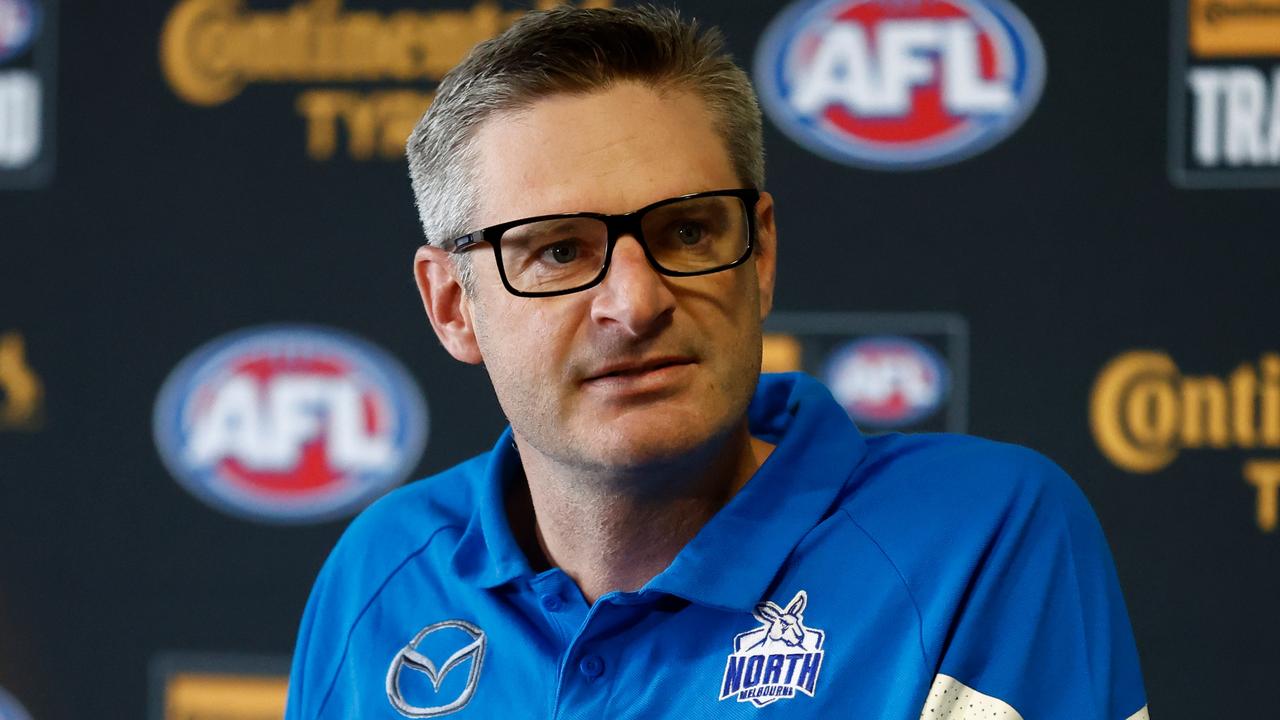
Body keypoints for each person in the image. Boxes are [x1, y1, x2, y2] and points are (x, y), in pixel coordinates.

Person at [285, 6, 1149, 719]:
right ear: (452, 307)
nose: (637, 301)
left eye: (687, 232)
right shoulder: (382, 574)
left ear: (761, 255)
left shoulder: (977, 536)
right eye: (557, 252)